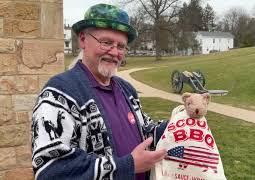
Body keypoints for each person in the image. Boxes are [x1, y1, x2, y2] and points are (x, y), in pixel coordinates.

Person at [31, 4, 168, 180]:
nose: (114, 52)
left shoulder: (126, 89)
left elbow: (147, 131)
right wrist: (128, 165)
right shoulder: (61, 91)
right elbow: (50, 169)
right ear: (82, 40)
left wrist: (182, 120)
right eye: (106, 43)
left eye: (121, 46)